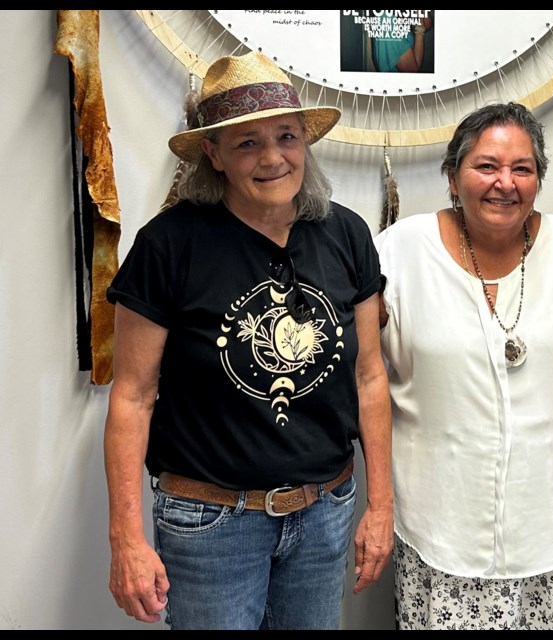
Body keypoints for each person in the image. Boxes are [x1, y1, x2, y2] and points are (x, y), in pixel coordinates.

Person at [103, 51, 393, 630]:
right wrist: (126, 539)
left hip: (323, 513)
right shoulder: (170, 244)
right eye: (246, 143)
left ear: (305, 142)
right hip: (209, 523)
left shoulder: (347, 234)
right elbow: (132, 395)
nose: (271, 158)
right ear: (212, 155)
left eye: (286, 136)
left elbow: (369, 377)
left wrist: (380, 505)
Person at [374, 102, 553, 630]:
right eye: (486, 166)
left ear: (538, 180)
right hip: (440, 524)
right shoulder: (397, 252)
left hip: (552, 525)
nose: (504, 183)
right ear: (453, 178)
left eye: (522, 169)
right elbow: (362, 372)